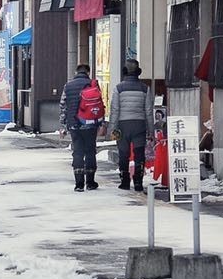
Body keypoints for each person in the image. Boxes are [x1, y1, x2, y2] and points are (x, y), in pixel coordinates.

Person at [109, 59, 154, 191]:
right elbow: (149, 111)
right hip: (139, 125)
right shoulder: (145, 88)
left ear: (124, 72)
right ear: (138, 73)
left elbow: (115, 110)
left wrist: (112, 128)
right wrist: (151, 130)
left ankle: (124, 180)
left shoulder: (118, 88)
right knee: (139, 154)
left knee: (123, 153)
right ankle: (138, 182)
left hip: (122, 125)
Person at [59, 64, 102, 192]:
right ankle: (90, 182)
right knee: (90, 151)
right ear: (88, 72)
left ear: (76, 72)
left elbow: (63, 106)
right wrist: (101, 123)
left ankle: (79, 184)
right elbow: (100, 104)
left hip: (74, 124)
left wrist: (63, 125)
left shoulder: (68, 86)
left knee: (78, 151)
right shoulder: (93, 84)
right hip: (90, 123)